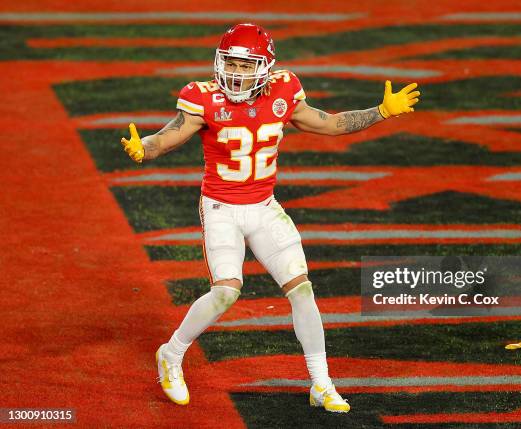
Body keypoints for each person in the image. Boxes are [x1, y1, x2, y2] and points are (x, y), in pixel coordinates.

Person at [120, 23, 419, 413]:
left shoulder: (284, 90)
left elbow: (329, 123)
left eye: (245, 66)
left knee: (302, 289)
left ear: (264, 68)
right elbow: (170, 135)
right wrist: (144, 147)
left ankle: (321, 383)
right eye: (229, 62)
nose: (235, 73)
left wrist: (380, 112)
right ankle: (172, 354)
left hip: (264, 206)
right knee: (226, 290)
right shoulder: (203, 98)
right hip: (221, 207)